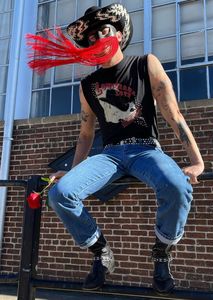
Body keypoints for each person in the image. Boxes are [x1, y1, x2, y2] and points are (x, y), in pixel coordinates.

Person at [48, 3, 204, 294]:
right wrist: (69, 171)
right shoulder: (87, 84)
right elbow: (85, 135)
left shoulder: (146, 63)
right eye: (90, 37)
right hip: (109, 154)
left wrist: (197, 161)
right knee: (61, 193)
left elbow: (173, 114)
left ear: (119, 34)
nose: (97, 39)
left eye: (103, 31)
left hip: (146, 149)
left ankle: (162, 250)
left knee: (177, 186)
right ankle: (101, 252)